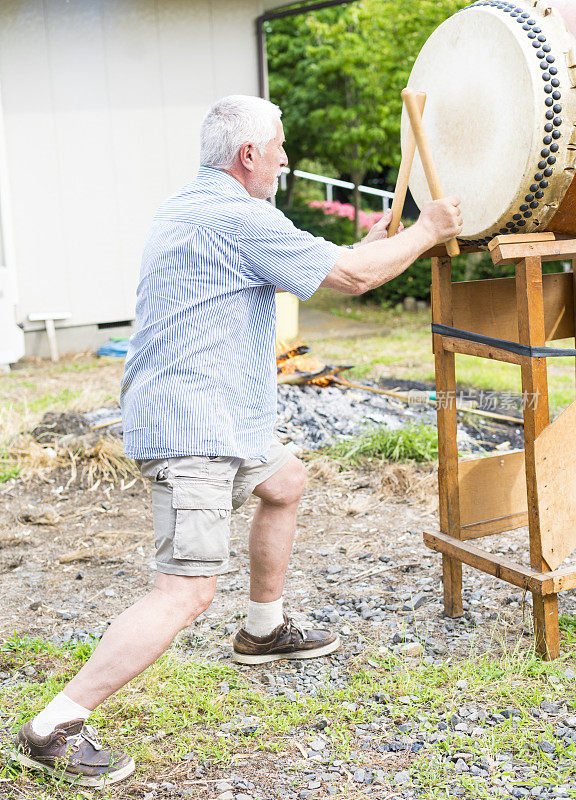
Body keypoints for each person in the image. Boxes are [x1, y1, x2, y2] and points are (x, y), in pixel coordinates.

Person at [12, 94, 462, 787]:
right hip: (196, 427)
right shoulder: (239, 217)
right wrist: (428, 229)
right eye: (279, 146)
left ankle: (262, 629)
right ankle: (54, 725)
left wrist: (374, 246)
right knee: (184, 594)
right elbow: (355, 278)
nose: (285, 158)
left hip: (224, 415)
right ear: (249, 155)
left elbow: (333, 266)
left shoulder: (191, 206)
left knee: (286, 481)